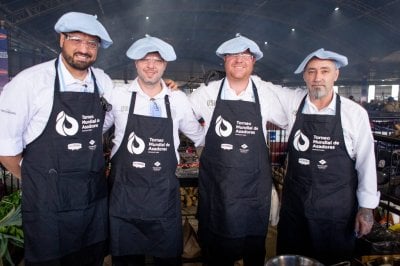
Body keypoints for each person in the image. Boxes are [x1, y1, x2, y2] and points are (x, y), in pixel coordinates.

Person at [0, 12, 113, 266]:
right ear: (61, 39)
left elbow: (113, 117)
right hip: (48, 206)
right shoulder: (29, 83)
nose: (84, 49)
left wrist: (165, 88)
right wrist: (39, 179)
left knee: (90, 258)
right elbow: (5, 148)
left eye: (92, 44)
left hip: (90, 200)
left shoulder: (103, 82)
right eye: (76, 40)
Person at [103, 35, 204, 266]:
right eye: (145, 59)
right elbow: (93, 129)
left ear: (165, 65)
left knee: (167, 259)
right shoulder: (117, 96)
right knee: (127, 260)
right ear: (135, 63)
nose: (151, 65)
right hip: (124, 198)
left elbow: (199, 138)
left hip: (162, 199)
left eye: (157, 61)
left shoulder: (177, 99)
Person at [189, 34, 287, 266]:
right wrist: (201, 139)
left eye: (246, 56)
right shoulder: (206, 93)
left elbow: (287, 120)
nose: (239, 60)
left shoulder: (265, 94)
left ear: (253, 61)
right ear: (224, 60)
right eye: (233, 55)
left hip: (252, 191)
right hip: (217, 190)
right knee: (215, 252)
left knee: (253, 250)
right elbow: (181, 115)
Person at [275, 48, 380, 264]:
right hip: (295, 208)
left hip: (335, 213)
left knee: (333, 259)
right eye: (311, 71)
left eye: (324, 71)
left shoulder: (354, 114)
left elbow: (366, 164)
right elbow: (265, 90)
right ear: (304, 76)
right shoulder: (294, 105)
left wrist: (366, 209)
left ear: (336, 75)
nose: (317, 78)